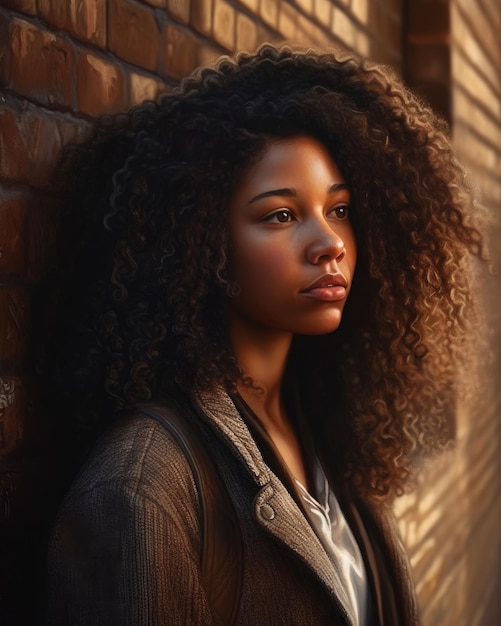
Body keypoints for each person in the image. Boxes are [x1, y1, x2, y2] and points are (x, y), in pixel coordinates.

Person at [44, 44, 485, 625]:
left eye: (340, 210)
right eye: (280, 215)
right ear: (201, 244)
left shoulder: (330, 434)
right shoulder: (143, 486)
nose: (329, 243)